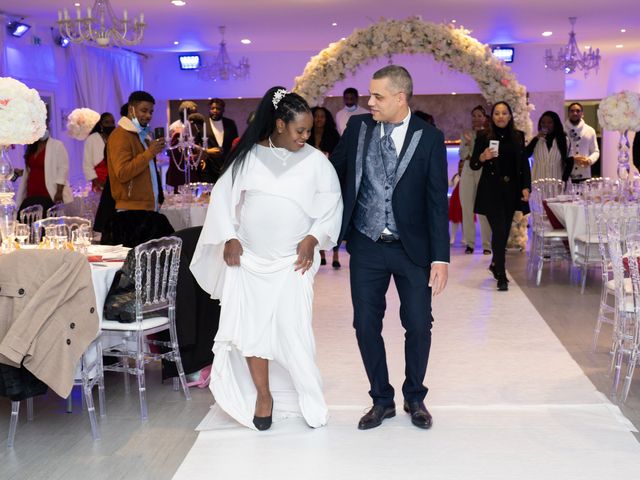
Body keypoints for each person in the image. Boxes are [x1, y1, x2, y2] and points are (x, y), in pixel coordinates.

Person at [190, 86, 343, 431]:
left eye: (308, 130)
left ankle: (308, 393)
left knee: (295, 329)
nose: (306, 136)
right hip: (250, 263)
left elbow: (332, 206)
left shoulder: (317, 162)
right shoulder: (247, 159)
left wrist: (314, 237)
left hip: (294, 264)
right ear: (278, 124)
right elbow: (222, 198)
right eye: (299, 130)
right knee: (251, 329)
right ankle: (263, 396)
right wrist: (229, 236)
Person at [330, 65, 449, 430]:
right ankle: (381, 399)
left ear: (401, 97)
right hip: (366, 244)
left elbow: (435, 202)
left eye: (377, 96)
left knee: (418, 324)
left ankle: (415, 396)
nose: (369, 102)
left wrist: (440, 257)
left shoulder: (429, 137)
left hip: (411, 248)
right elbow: (333, 172)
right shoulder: (358, 128)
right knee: (365, 324)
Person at [470, 101, 531, 292]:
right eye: (497, 113)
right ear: (492, 117)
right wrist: (483, 157)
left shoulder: (518, 136)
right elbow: (473, 164)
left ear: (510, 116)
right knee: (499, 229)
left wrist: (526, 187)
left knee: (503, 232)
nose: (501, 117)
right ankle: (502, 275)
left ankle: (495, 264)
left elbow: (523, 164)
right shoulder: (483, 136)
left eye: (504, 113)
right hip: (491, 190)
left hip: (511, 190)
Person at [103, 91, 173, 247]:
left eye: (151, 112)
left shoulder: (141, 135)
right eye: (144, 110)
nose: (148, 115)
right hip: (131, 214)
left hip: (146, 210)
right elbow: (122, 173)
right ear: (131, 109)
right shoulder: (120, 136)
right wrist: (149, 153)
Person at [307, 106, 342, 268]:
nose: (319, 119)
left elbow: (340, 156)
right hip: (311, 180)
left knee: (330, 214)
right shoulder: (305, 133)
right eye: (317, 116)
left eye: (322, 116)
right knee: (315, 215)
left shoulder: (333, 135)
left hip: (329, 178)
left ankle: (335, 254)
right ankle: (320, 253)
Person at [15, 126, 73, 213]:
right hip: (31, 192)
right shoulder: (32, 147)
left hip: (48, 191)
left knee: (45, 220)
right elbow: (35, 168)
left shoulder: (57, 145)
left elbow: (63, 169)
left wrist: (59, 191)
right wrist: (22, 172)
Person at [459, 105, 492, 255]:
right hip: (467, 170)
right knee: (467, 208)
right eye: (474, 115)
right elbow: (463, 155)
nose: (476, 118)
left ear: (485, 118)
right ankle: (470, 243)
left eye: (480, 115)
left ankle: (486, 244)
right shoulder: (466, 133)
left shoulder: (490, 134)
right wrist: (467, 142)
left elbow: (483, 154)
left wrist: (474, 145)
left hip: (483, 171)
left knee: (484, 208)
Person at [202, 98, 239, 183]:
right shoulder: (203, 123)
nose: (215, 111)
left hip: (226, 165)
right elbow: (196, 143)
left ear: (223, 110)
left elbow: (235, 144)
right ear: (209, 109)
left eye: (218, 108)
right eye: (212, 108)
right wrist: (206, 151)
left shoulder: (230, 123)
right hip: (208, 165)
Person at [526, 111, 570, 181]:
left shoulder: (564, 140)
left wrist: (564, 181)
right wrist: (536, 139)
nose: (546, 125)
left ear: (555, 124)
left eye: (550, 122)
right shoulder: (535, 140)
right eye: (543, 122)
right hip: (537, 181)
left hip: (556, 182)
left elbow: (568, 163)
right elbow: (526, 154)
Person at [565, 102, 599, 183]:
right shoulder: (562, 130)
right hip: (566, 173)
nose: (575, 113)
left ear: (582, 113)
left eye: (578, 111)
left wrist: (589, 160)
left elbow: (596, 151)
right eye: (572, 111)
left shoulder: (590, 130)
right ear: (568, 113)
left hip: (585, 173)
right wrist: (571, 159)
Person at [83, 112, 115, 192]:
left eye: (112, 122)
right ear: (101, 125)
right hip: (99, 180)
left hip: (116, 180)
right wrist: (97, 182)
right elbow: (87, 165)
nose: (110, 125)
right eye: (107, 122)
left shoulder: (117, 138)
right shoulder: (92, 139)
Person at [449, 160, 464, 245]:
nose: (461, 168)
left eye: (463, 166)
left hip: (465, 200)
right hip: (455, 201)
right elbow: (450, 185)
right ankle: (452, 237)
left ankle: (465, 238)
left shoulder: (468, 177)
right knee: (454, 220)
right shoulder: (456, 177)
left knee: (465, 221)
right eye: (460, 166)